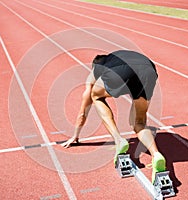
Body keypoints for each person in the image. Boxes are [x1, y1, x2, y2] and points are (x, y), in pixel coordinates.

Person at [61, 50, 166, 183]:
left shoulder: (95, 72)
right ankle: (156, 154)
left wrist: (75, 135)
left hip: (122, 72)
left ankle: (118, 140)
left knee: (95, 95)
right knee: (139, 122)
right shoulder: (114, 58)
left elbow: (84, 109)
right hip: (148, 70)